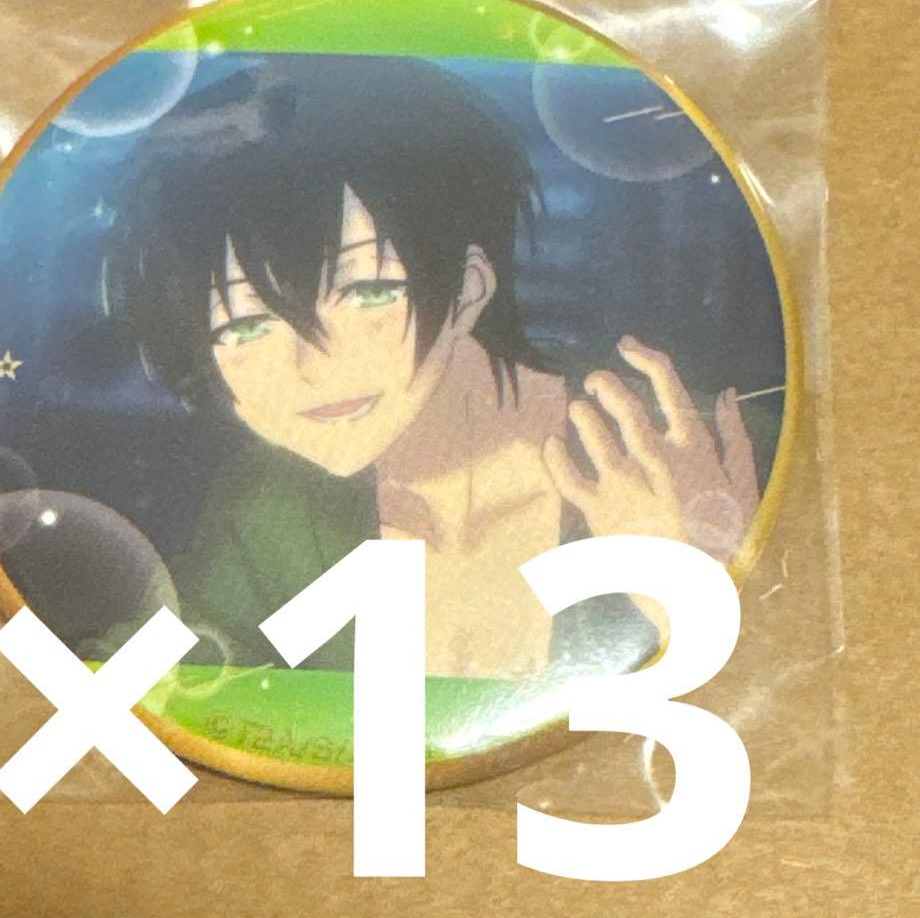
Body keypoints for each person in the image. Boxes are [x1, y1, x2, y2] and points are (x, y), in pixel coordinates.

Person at [111, 55, 760, 679]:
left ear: (470, 287)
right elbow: (165, 696)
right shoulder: (271, 512)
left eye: (367, 292)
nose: (309, 366)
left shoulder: (689, 461)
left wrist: (698, 584)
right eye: (245, 326)